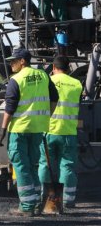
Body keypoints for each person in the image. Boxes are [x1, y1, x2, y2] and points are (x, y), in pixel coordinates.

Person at [0, 47, 58, 217]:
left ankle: (27, 205)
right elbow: (54, 98)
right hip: (38, 128)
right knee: (33, 165)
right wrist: (47, 116)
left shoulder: (16, 80)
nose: (11, 64)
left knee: (21, 165)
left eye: (13, 61)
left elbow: (10, 107)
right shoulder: (44, 76)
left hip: (20, 129)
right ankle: (37, 202)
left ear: (22, 61)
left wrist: (3, 129)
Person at [38, 55, 82, 209]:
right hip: (68, 132)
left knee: (45, 164)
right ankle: (67, 200)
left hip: (48, 131)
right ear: (69, 68)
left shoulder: (47, 82)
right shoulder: (76, 84)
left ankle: (44, 197)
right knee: (67, 166)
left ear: (53, 68)